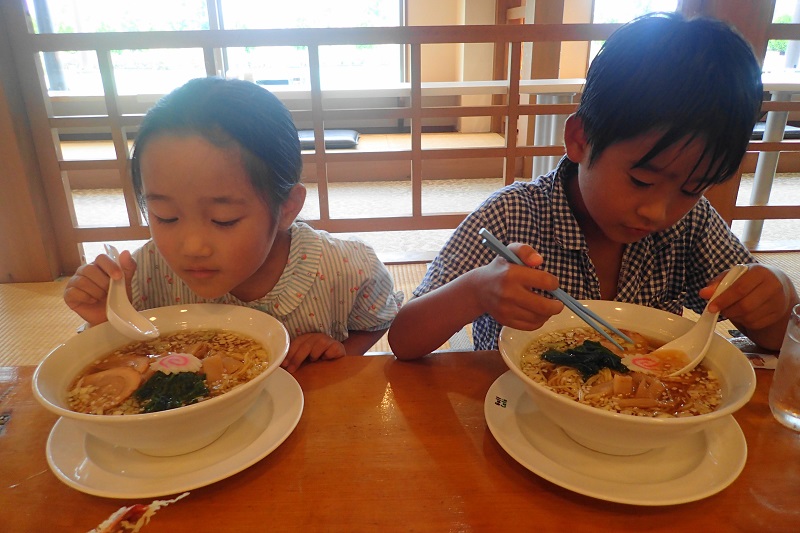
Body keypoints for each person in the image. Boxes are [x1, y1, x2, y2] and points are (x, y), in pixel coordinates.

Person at [388, 12, 799, 360]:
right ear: (580, 140)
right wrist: (475, 292)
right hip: (516, 414)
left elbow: (781, 340)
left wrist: (777, 302)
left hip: (648, 426)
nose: (658, 211)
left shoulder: (692, 226)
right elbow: (404, 339)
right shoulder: (511, 215)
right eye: (641, 180)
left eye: (692, 188)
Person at [64, 77, 402, 373]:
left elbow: (377, 321)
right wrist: (105, 320)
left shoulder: (346, 270)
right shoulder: (145, 276)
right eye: (166, 216)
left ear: (286, 207)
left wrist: (341, 351)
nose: (192, 246)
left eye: (223, 220)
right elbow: (120, 364)